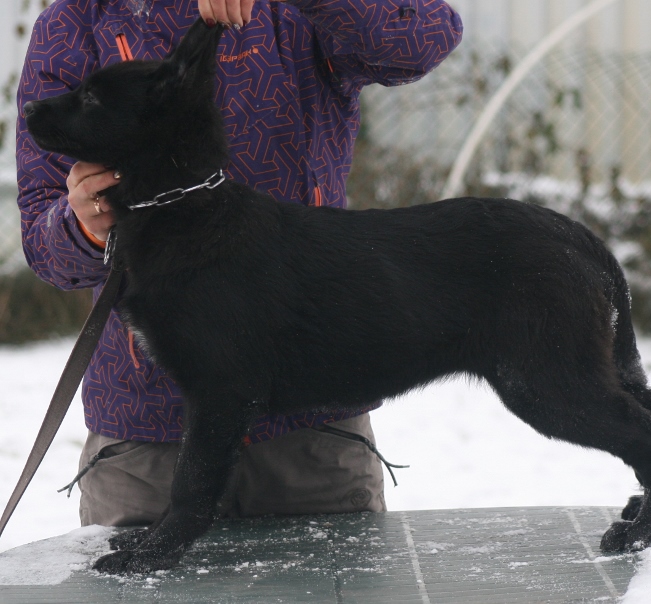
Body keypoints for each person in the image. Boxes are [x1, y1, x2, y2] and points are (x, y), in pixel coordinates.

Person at [16, 0, 463, 527]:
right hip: (150, 440)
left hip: (311, 429)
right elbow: (44, 246)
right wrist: (84, 226)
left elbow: (423, 37)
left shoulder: (288, 15)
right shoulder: (76, 19)